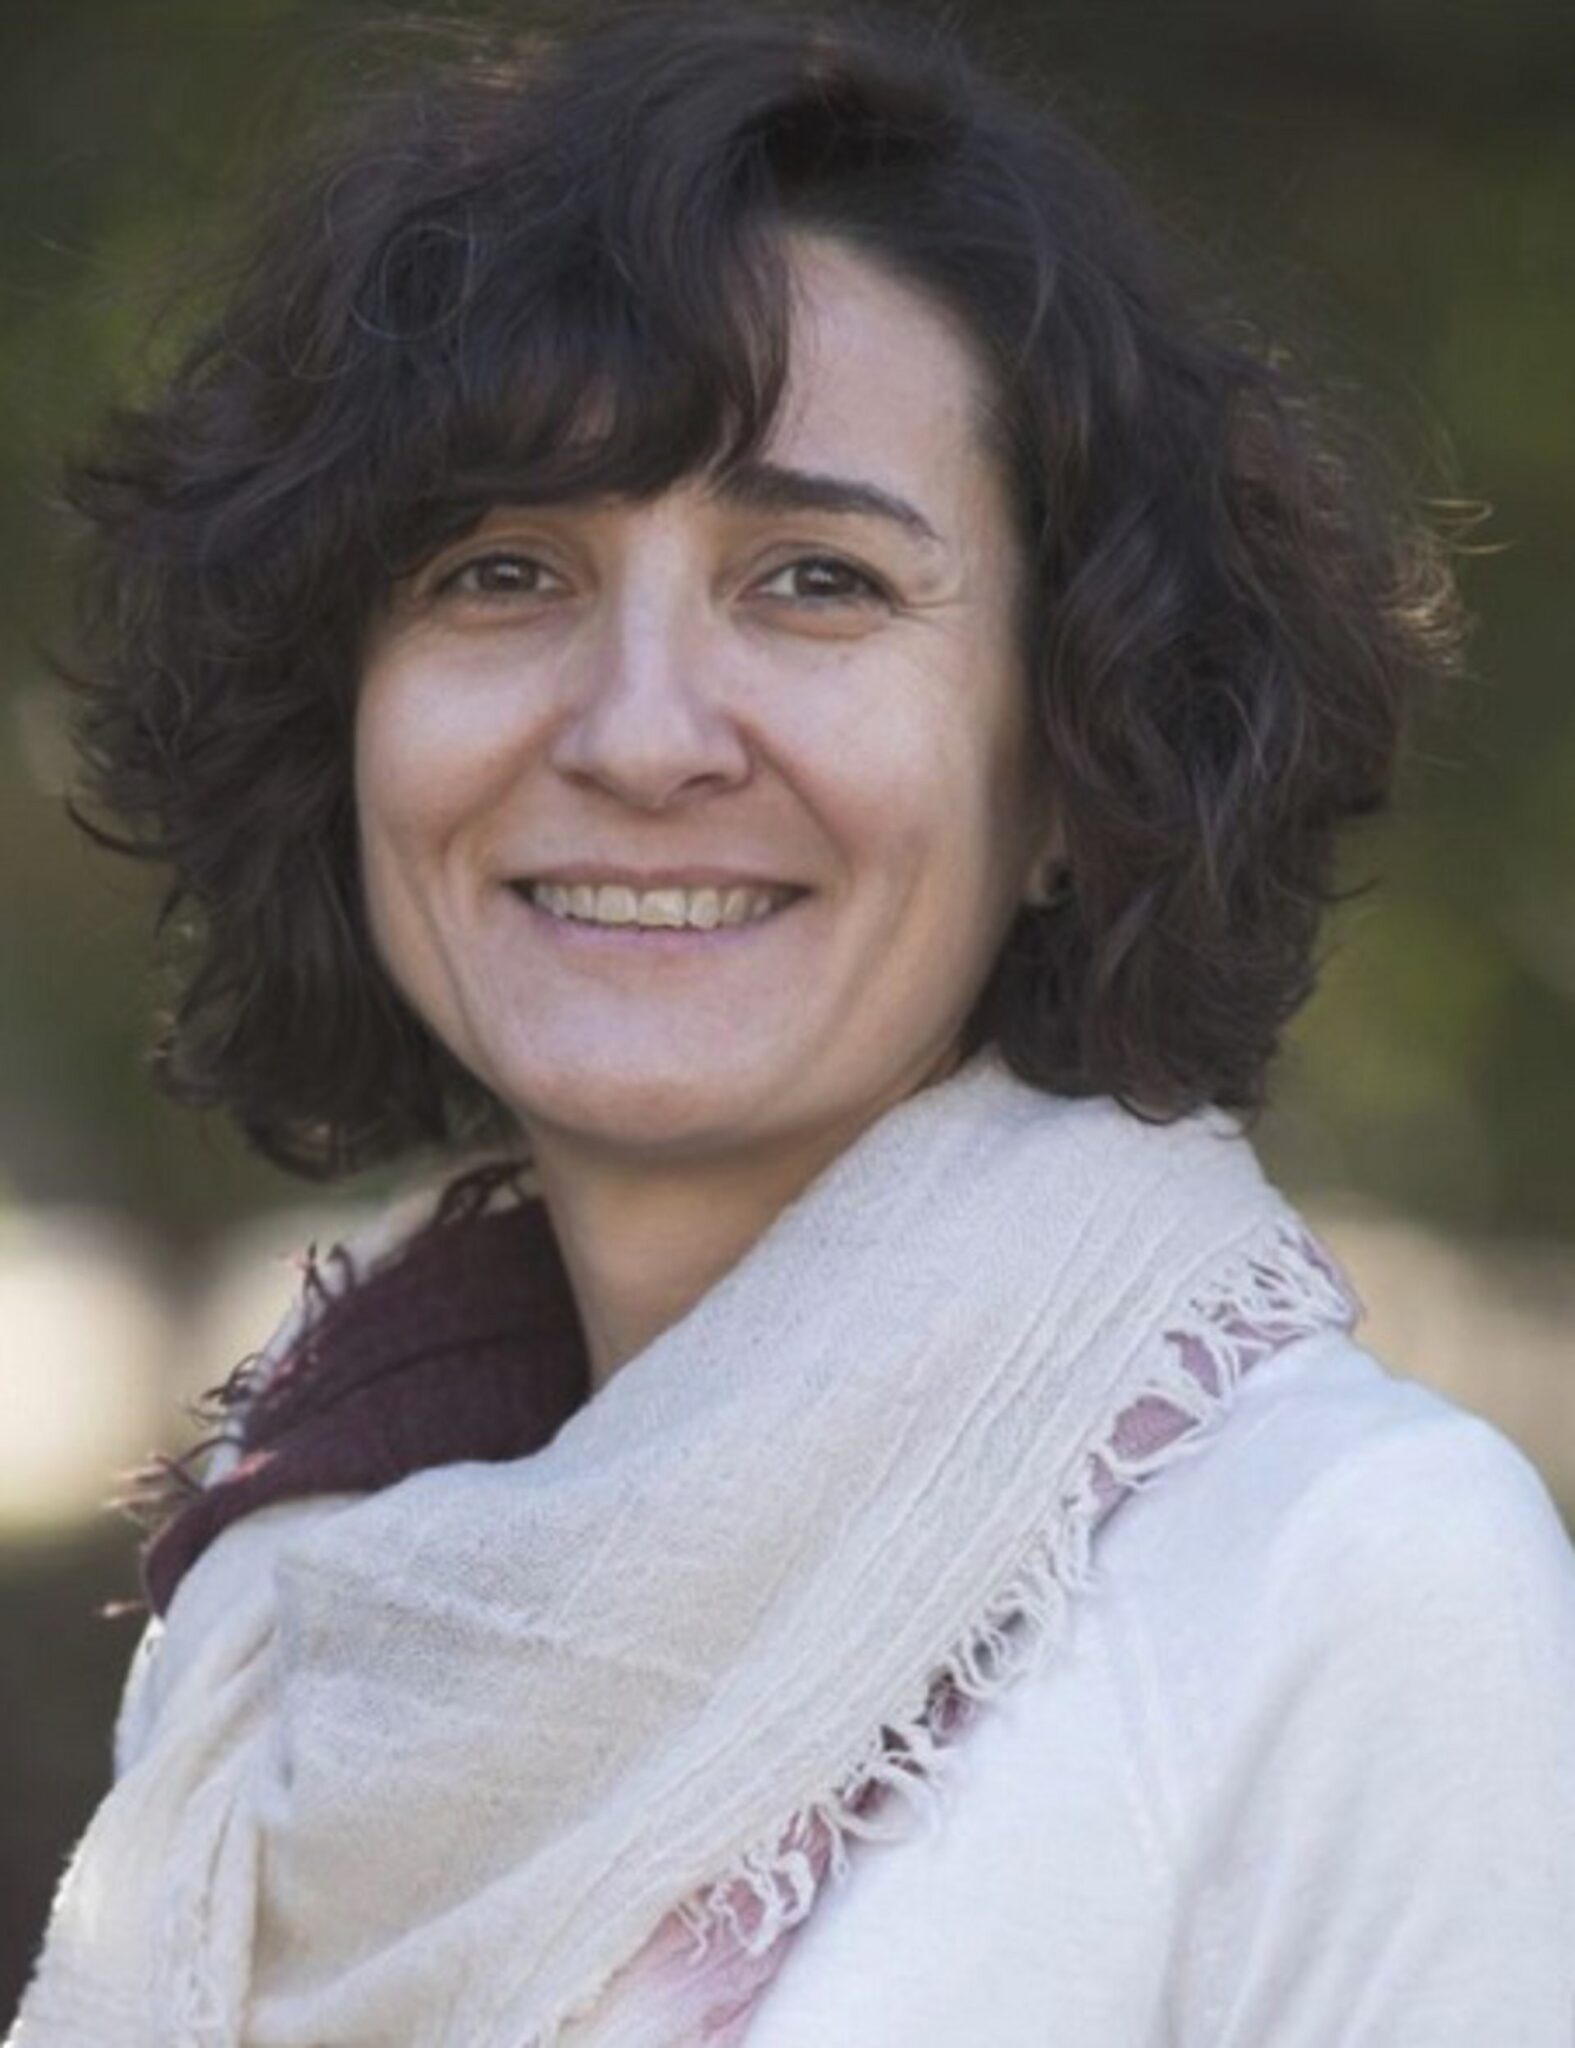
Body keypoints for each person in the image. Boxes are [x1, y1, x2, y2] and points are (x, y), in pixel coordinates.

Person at [11, 5, 1575, 2043]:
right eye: (503, 570)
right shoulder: (292, 1628)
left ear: (1069, 755)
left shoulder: (1336, 1572)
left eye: (816, 580)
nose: (640, 733)